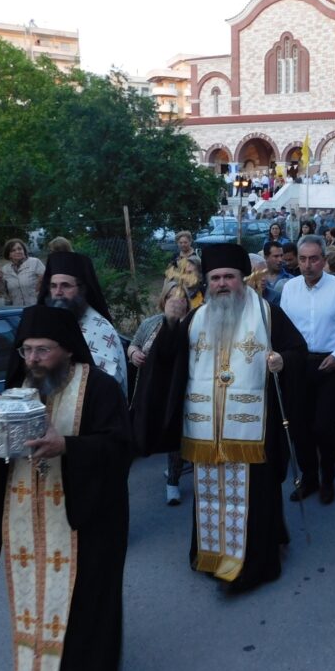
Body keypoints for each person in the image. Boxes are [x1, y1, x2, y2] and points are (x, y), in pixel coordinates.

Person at [0, 304, 130, 671]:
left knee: (80, 612)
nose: (34, 359)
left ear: (68, 349)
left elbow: (121, 447)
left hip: (84, 522)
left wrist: (69, 447)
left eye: (43, 350)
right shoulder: (18, 388)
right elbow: (0, 456)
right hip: (28, 521)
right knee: (35, 606)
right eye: (26, 350)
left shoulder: (99, 388)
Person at [133, 243, 307, 591]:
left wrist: (282, 361)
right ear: (207, 283)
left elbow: (298, 351)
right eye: (215, 278)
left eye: (229, 277)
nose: (222, 284)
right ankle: (213, 556)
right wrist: (170, 322)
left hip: (253, 432)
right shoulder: (196, 319)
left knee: (254, 499)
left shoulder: (267, 314)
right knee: (211, 498)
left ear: (244, 279)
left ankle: (252, 565)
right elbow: (166, 362)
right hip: (205, 432)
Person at [280, 235, 335, 504]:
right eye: (303, 259)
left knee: (324, 427)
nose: (307, 265)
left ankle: (328, 479)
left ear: (324, 260)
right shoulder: (290, 288)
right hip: (297, 365)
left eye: (314, 259)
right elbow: (283, 328)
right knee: (300, 427)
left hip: (329, 364)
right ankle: (309, 479)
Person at [128, 283, 191, 505]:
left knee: (177, 435)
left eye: (181, 297)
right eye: (171, 296)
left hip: (182, 389)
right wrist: (134, 354)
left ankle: (173, 481)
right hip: (152, 390)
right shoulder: (150, 323)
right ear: (163, 300)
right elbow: (134, 344)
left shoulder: (193, 325)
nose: (176, 301)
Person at [38, 252, 129, 395]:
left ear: (81, 289)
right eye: (53, 286)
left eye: (66, 286)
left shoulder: (100, 328)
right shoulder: (51, 323)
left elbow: (106, 384)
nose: (58, 292)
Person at [0, 238, 46, 306]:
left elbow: (46, 281)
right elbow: (2, 291)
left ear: (24, 250)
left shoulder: (35, 262)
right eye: (13, 250)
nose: (17, 251)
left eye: (20, 249)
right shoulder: (5, 269)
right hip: (16, 308)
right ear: (9, 255)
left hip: (36, 306)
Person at [262, 240, 292, 304]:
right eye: (276, 256)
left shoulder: (291, 280)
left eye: (281, 256)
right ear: (266, 257)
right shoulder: (257, 279)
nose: (280, 260)